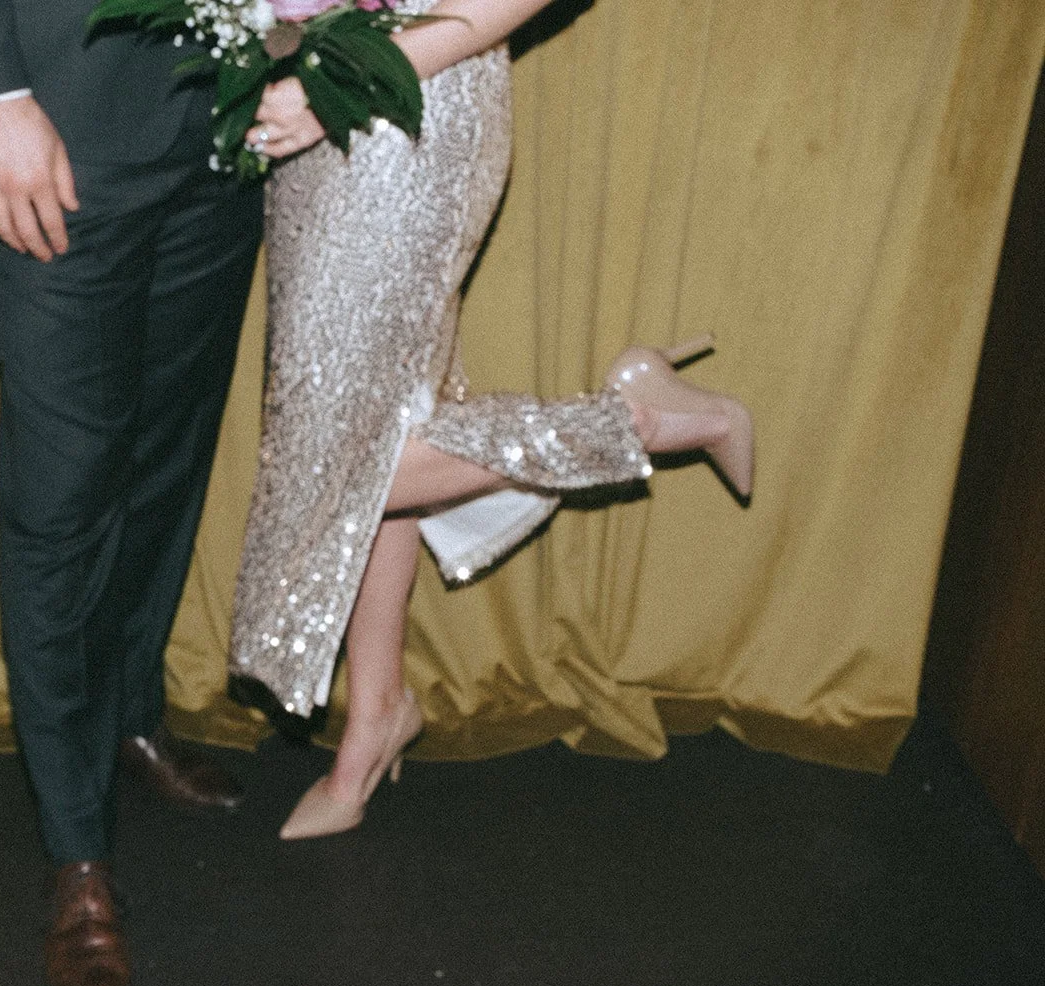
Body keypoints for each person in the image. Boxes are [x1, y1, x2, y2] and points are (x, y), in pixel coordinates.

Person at [234, 0, 755, 839]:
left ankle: (638, 419)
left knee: (344, 457)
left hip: (412, 116)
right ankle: (376, 715)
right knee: (383, 423)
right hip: (316, 121)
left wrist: (337, 78)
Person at [0, 1, 264, 986]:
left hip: (227, 119)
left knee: (164, 453)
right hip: (47, 113)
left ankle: (130, 716)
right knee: (62, 496)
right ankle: (77, 849)